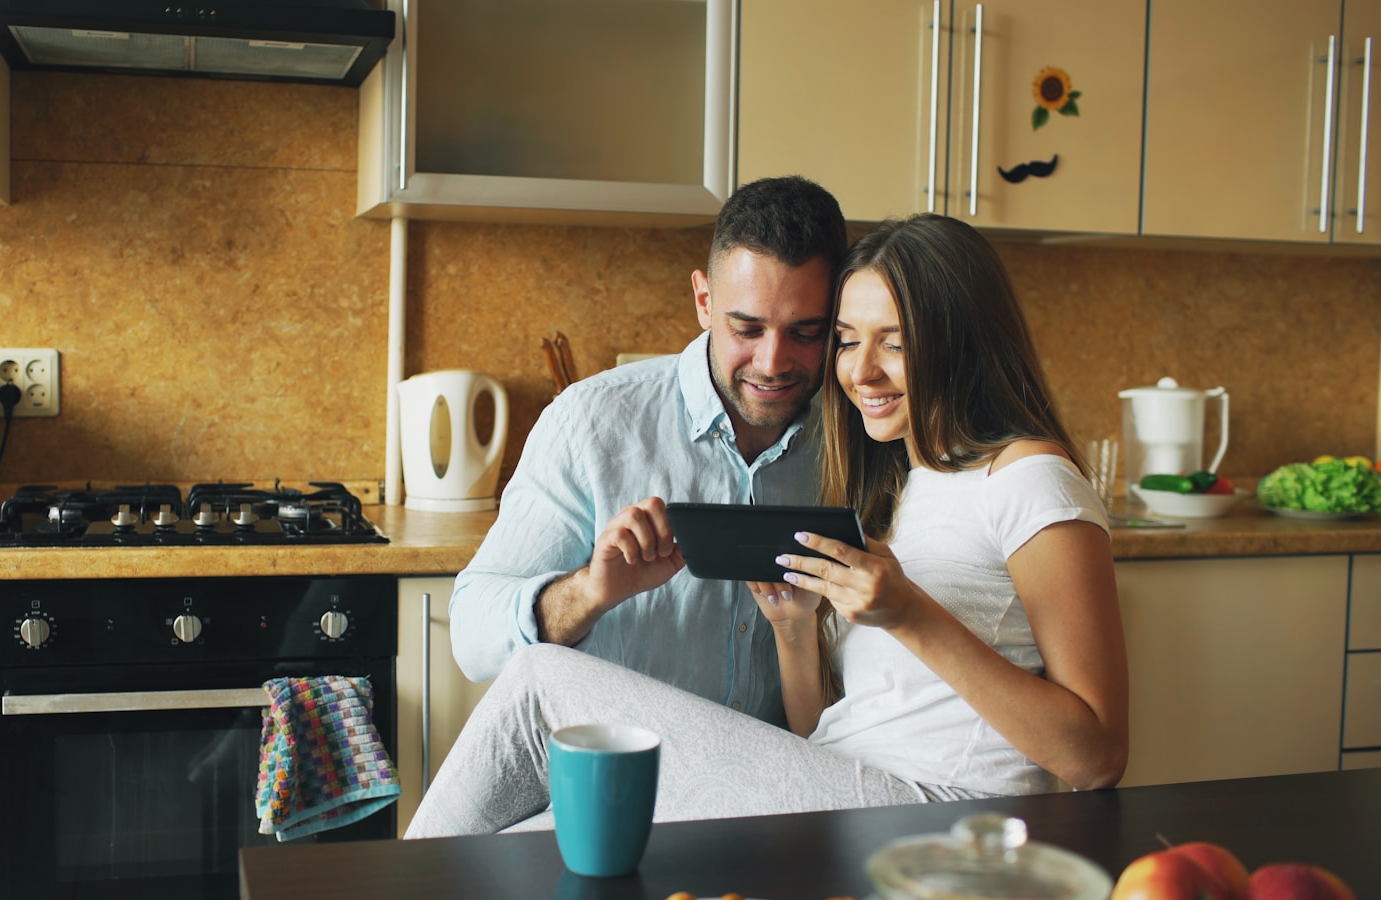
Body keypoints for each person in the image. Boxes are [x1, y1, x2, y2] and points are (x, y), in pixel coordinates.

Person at [405, 213, 1128, 838]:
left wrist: (909, 613)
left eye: (895, 342)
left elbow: (1096, 756)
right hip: (839, 784)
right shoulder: (908, 484)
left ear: (963, 342)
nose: (860, 372)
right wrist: (793, 628)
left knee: (540, 682)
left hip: (939, 815)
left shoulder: (1032, 480)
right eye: (848, 340)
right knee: (530, 843)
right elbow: (823, 728)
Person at [448, 176, 849, 728]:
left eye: (807, 332)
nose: (773, 361)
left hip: (770, 791)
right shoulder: (590, 422)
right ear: (704, 300)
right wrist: (588, 592)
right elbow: (471, 639)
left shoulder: (856, 439)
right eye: (747, 328)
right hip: (620, 790)